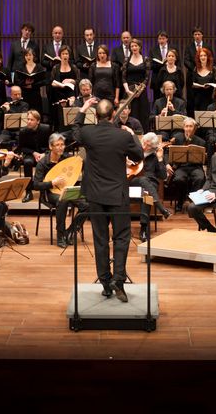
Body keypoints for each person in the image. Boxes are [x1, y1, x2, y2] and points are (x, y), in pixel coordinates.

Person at [73, 97, 143, 302]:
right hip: (117, 194)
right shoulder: (123, 136)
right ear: (113, 115)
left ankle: (105, 283)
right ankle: (118, 280)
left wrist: (82, 108)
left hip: (95, 195)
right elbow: (138, 156)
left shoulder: (88, 133)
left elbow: (75, 130)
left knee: (100, 239)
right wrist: (132, 135)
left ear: (96, 115)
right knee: (121, 237)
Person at [31, 133, 80, 248]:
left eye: (62, 144)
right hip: (49, 193)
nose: (61, 147)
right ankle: (60, 235)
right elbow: (36, 185)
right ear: (50, 147)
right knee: (62, 201)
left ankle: (70, 232)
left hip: (66, 190)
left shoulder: (67, 158)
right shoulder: (42, 163)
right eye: (57, 145)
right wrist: (52, 183)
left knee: (87, 205)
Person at [130, 132, 171, 242]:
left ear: (153, 148)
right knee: (143, 180)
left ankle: (144, 228)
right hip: (134, 183)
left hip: (149, 188)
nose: (144, 146)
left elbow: (163, 176)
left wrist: (160, 159)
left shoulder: (155, 157)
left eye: (148, 145)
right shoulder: (134, 152)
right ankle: (161, 208)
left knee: (147, 195)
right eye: (144, 142)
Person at [167, 117, 207, 212]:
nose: (188, 128)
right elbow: (167, 153)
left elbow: (204, 160)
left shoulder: (201, 142)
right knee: (179, 179)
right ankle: (180, 202)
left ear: (194, 128)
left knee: (200, 178)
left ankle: (194, 202)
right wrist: (167, 164)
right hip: (181, 167)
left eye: (191, 126)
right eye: (187, 126)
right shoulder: (177, 138)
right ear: (183, 127)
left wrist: (204, 156)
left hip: (195, 167)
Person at [17, 109, 51, 202]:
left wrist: (44, 154)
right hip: (30, 153)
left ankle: (44, 192)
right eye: (28, 119)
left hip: (44, 153)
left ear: (38, 121)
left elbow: (51, 145)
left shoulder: (46, 129)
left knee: (48, 162)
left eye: (31, 120)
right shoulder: (23, 131)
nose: (28, 121)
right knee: (27, 162)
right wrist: (33, 153)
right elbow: (21, 148)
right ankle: (28, 192)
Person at [122, 38, 150, 130]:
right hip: (129, 91)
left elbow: (147, 77)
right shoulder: (126, 59)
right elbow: (123, 77)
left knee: (142, 113)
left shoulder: (145, 59)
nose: (134, 48)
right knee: (131, 112)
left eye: (135, 46)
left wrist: (140, 91)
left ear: (140, 47)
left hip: (141, 91)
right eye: (132, 46)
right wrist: (128, 91)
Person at [49, 44, 79, 129]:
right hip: (59, 95)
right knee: (60, 118)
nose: (65, 55)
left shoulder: (73, 67)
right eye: (63, 54)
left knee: (71, 118)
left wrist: (71, 81)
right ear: (60, 55)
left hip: (71, 95)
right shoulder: (56, 68)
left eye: (66, 54)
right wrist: (59, 85)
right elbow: (51, 82)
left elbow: (78, 80)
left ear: (69, 55)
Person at [14, 48, 46, 122]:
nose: (28, 57)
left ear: (33, 56)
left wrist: (32, 85)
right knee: (25, 116)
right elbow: (17, 81)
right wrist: (25, 83)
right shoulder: (20, 67)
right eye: (26, 55)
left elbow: (44, 81)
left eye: (30, 55)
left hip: (36, 94)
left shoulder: (39, 67)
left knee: (36, 115)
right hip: (24, 95)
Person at [149, 31, 179, 103]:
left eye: (163, 38)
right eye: (159, 39)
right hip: (157, 79)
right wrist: (162, 64)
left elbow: (178, 62)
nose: (161, 41)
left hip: (172, 77)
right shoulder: (153, 50)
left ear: (167, 39)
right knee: (158, 101)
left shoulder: (173, 48)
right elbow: (151, 65)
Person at [190, 47, 216, 117]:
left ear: (208, 57)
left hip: (210, 96)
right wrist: (199, 86)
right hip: (198, 97)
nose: (203, 57)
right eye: (201, 56)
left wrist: (211, 85)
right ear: (198, 58)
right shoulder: (195, 69)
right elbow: (192, 83)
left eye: (205, 55)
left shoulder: (213, 69)